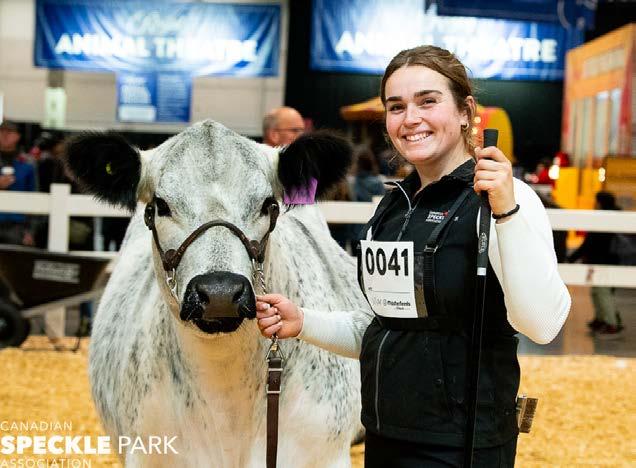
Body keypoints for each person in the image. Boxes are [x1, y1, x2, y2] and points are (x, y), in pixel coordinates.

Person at [256, 45, 570, 467]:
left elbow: (543, 325)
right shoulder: (392, 207)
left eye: (428, 101)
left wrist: (506, 213)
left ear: (465, 112)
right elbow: (386, 327)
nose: (411, 118)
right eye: (396, 107)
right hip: (384, 436)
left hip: (463, 447)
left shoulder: (504, 200)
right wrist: (303, 322)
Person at [568, 191, 623, 338]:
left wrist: (572, 258)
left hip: (602, 261)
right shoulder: (616, 217)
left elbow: (589, 243)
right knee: (598, 291)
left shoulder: (602, 218)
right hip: (610, 260)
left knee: (602, 291)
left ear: (600, 202)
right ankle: (602, 319)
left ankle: (612, 323)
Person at [0, 120, 36, 246]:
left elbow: (34, 196)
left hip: (17, 224)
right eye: (1, 131)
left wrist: (30, 231)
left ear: (18, 136)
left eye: (9, 132)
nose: (4, 135)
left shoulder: (27, 162)